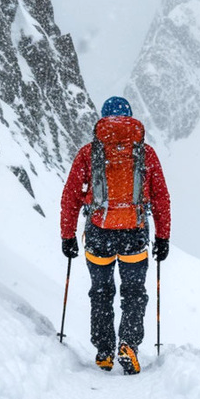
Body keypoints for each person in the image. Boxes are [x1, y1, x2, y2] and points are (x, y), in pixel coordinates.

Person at [60, 96, 171, 375]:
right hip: (134, 234)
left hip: (99, 234)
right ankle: (128, 344)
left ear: (103, 120)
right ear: (130, 118)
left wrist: (67, 235)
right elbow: (160, 198)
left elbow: (71, 196)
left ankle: (104, 350)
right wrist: (163, 237)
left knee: (101, 292)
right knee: (134, 293)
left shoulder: (89, 153)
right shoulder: (145, 153)